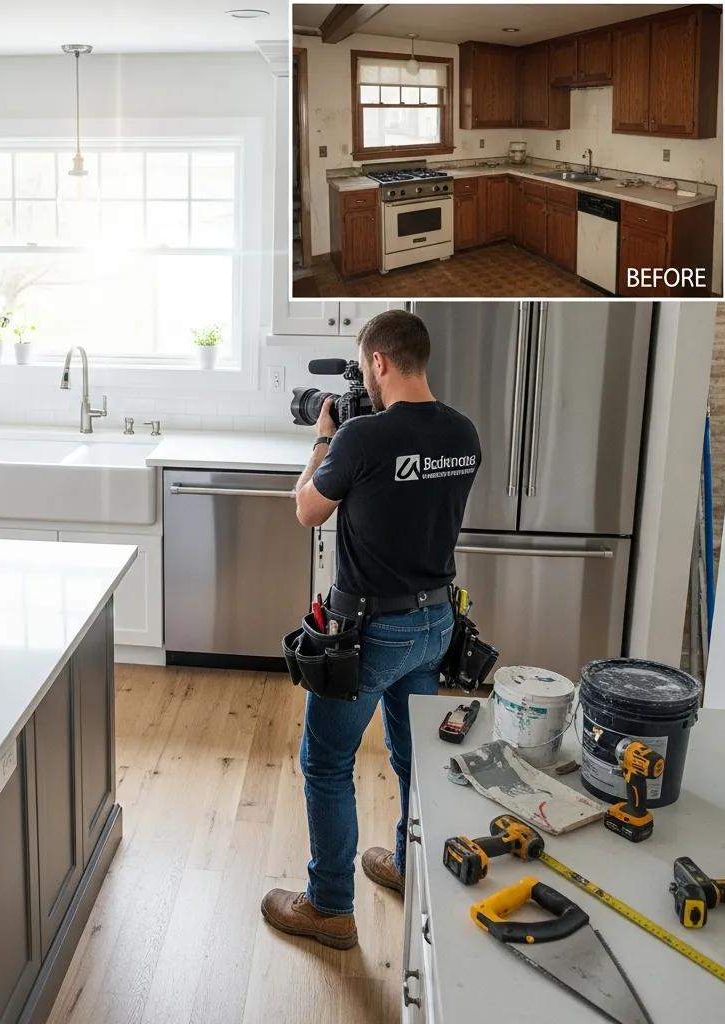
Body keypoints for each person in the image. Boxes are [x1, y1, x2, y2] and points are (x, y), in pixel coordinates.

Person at [261, 309, 481, 950]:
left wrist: (323, 439)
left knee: (326, 762)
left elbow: (307, 509)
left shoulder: (360, 440)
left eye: (364, 365)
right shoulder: (463, 433)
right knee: (413, 758)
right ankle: (412, 870)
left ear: (379, 362)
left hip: (370, 631)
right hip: (437, 622)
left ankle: (330, 908)